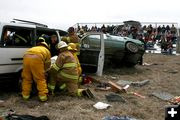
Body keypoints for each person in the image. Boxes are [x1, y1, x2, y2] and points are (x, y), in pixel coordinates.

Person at [21, 34, 51, 102]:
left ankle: (25, 95)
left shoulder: (33, 48)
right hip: (37, 58)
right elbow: (47, 64)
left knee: (27, 78)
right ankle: (43, 96)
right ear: (46, 45)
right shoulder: (46, 50)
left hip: (26, 57)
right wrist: (45, 71)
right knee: (40, 78)